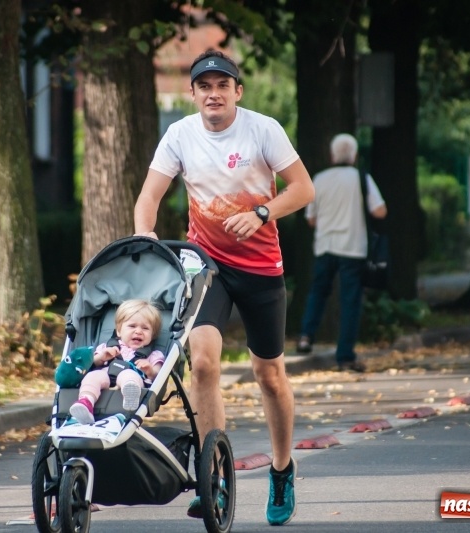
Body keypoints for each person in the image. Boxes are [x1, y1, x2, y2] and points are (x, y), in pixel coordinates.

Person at [134, 49, 314, 526]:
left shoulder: (263, 129)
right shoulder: (180, 134)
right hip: (206, 265)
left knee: (269, 375)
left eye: (222, 86)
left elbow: (302, 189)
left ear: (237, 91)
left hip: (260, 266)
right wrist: (145, 235)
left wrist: (261, 213)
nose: (213, 94)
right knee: (204, 363)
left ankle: (281, 469)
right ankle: (212, 475)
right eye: (204, 86)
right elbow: (149, 195)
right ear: (193, 94)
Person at [296, 134, 387, 372]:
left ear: (332, 155)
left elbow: (311, 220)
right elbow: (380, 211)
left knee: (317, 292)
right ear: (354, 156)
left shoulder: (319, 179)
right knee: (350, 302)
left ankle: (306, 336)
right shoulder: (361, 178)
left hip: (325, 245)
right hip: (353, 248)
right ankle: (345, 356)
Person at [69, 299, 165, 425]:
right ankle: (86, 403)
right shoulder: (107, 347)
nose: (138, 331)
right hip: (105, 378)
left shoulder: (154, 355)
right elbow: (93, 364)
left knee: (128, 375)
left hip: (132, 380)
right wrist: (102, 357)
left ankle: (130, 394)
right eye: (132, 326)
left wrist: (150, 370)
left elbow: (159, 375)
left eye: (145, 328)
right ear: (119, 331)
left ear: (152, 335)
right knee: (93, 376)